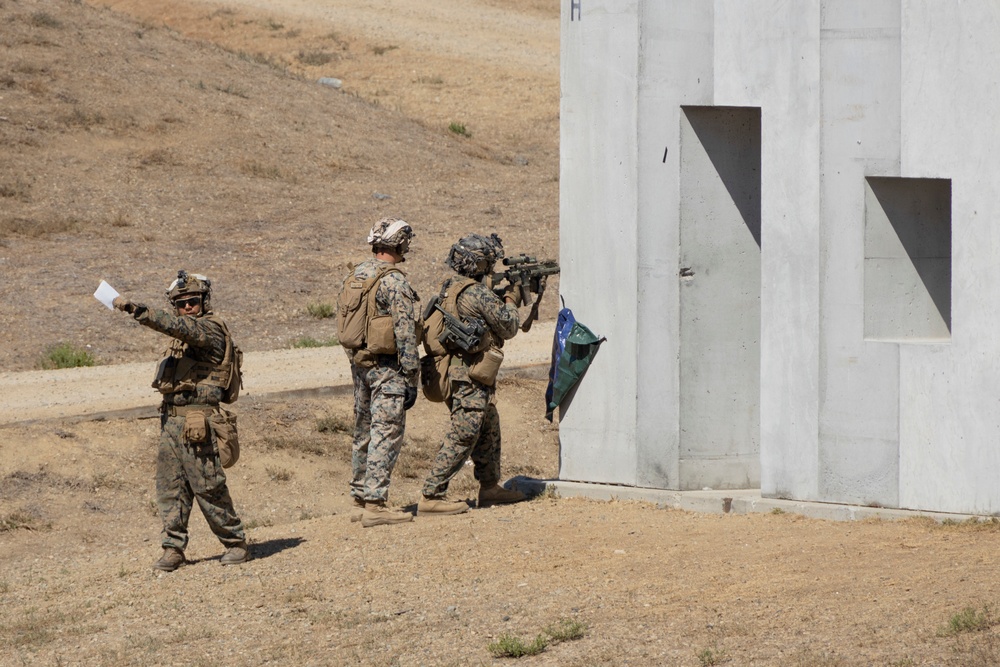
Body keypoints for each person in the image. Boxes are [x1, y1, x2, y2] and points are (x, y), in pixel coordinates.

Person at [113, 271, 248, 572]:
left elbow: (177, 326)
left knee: (208, 487)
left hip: (199, 423)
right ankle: (173, 548)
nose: (188, 307)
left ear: (203, 302)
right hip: (171, 422)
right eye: (182, 303)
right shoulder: (181, 336)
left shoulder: (210, 330)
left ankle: (235, 542)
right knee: (170, 488)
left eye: (193, 302)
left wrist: (136, 310)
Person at [417, 233, 528, 516]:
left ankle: (489, 487)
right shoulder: (476, 292)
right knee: (464, 433)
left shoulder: (452, 286)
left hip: (462, 372)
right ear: (479, 264)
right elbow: (509, 326)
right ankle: (432, 494)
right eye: (488, 262)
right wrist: (512, 299)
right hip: (467, 375)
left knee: (488, 424)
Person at [337, 218, 420, 528]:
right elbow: (405, 333)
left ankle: (358, 499)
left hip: (360, 367)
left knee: (363, 432)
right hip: (388, 370)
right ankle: (375, 504)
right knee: (385, 433)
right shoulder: (394, 281)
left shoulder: (355, 275)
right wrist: (411, 376)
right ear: (398, 244)